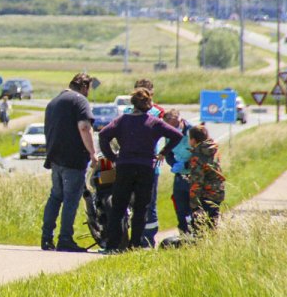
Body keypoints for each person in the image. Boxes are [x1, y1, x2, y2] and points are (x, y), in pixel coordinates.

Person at [98, 88, 182, 252]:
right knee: (141, 208)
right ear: (149, 105)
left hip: (125, 166)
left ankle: (113, 245)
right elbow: (177, 136)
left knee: (118, 206)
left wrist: (112, 157)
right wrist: (163, 152)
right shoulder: (154, 122)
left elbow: (103, 135)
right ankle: (135, 244)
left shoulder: (122, 120)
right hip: (145, 167)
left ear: (133, 104)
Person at [40, 73, 99, 252]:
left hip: (55, 158)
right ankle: (65, 238)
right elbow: (84, 127)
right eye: (88, 89)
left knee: (55, 197)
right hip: (73, 158)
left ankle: (46, 237)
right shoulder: (80, 101)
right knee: (71, 199)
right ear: (84, 87)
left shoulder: (53, 102)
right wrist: (93, 153)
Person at [129, 78, 165, 247]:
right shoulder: (127, 111)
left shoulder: (158, 112)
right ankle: (134, 237)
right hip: (130, 162)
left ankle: (148, 238)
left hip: (150, 164)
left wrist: (164, 153)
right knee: (131, 202)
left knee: (149, 202)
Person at [186, 125, 226, 232]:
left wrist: (195, 205)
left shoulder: (198, 155)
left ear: (193, 140)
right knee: (212, 225)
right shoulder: (213, 150)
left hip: (205, 194)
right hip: (218, 191)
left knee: (200, 228)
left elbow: (196, 182)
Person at [162, 109, 193, 234]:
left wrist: (186, 164)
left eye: (175, 125)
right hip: (180, 175)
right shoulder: (169, 134)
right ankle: (183, 234)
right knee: (180, 208)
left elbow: (201, 154)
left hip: (195, 175)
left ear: (180, 120)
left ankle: (196, 234)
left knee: (194, 208)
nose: (174, 129)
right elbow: (168, 152)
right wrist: (174, 164)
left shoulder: (192, 131)